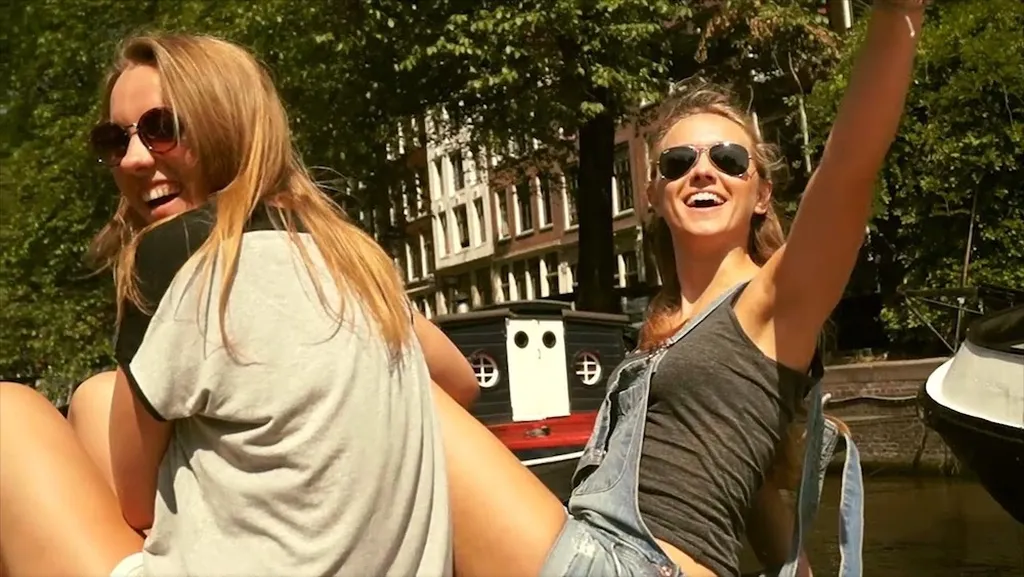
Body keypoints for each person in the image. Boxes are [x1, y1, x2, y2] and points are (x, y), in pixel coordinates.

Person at [428, 3, 926, 577]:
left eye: (730, 160)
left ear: (761, 194)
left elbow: (848, 166)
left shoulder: (773, 303)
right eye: (679, 161)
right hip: (597, 547)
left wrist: (899, 15)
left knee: (392, 361)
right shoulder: (663, 327)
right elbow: (757, 501)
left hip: (632, 563)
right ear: (655, 196)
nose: (703, 171)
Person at [0, 32, 477, 577]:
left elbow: (135, 505)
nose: (132, 160)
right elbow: (460, 381)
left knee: (8, 417)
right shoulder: (350, 253)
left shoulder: (174, 253)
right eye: (115, 140)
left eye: (162, 128)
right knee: (95, 397)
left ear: (226, 124)